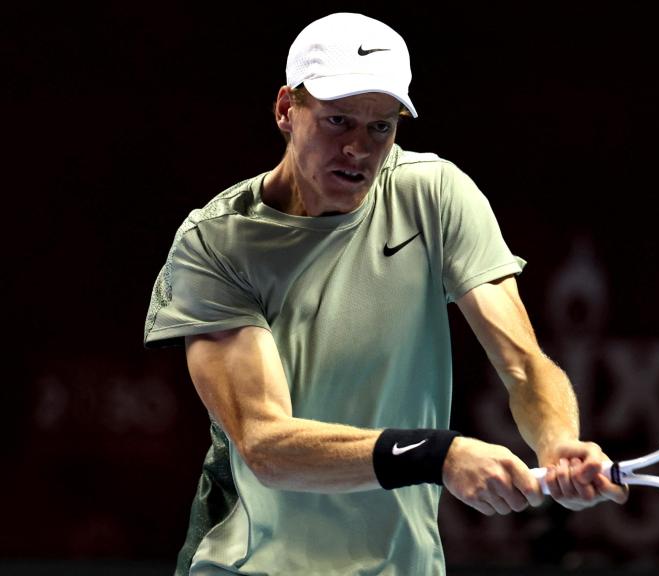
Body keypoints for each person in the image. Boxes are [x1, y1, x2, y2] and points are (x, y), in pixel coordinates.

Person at [143, 12, 626, 575]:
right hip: (249, 565)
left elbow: (523, 365)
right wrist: (438, 455)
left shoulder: (436, 195)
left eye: (381, 127)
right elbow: (264, 444)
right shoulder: (217, 242)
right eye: (337, 120)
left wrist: (558, 440)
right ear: (284, 110)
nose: (359, 149)